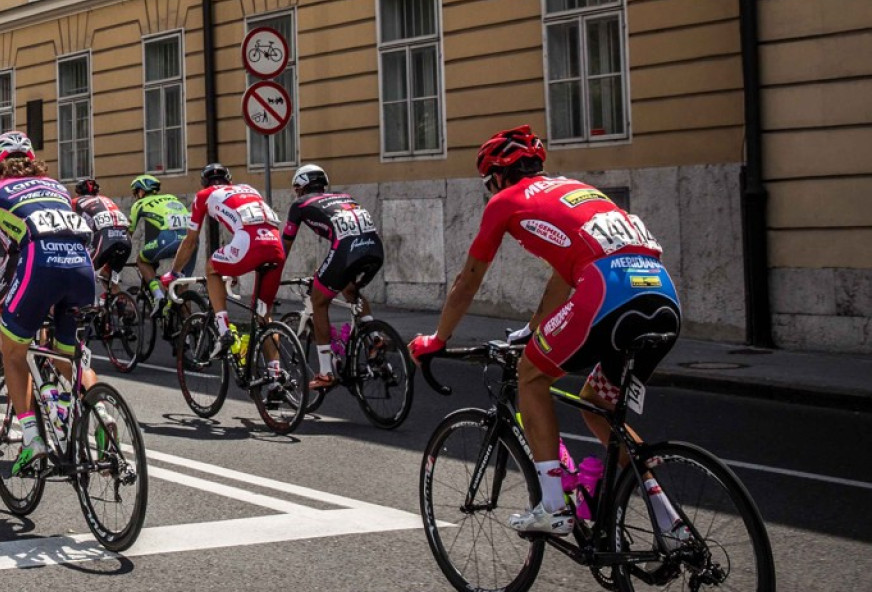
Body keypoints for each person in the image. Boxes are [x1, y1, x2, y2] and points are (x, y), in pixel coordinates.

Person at [410, 126, 683, 537]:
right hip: (662, 297)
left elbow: (468, 281)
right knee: (598, 404)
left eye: (489, 183)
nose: (490, 190)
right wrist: (531, 330)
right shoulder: (577, 190)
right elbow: (564, 276)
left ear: (498, 176)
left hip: (608, 290)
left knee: (531, 376)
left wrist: (439, 338)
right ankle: (672, 522)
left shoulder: (506, 201)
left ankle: (554, 506)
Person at [0, 133, 96, 474]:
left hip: (39, 263)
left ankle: (32, 439)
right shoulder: (58, 187)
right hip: (82, 267)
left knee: (12, 350)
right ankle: (103, 412)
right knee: (70, 357)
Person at [280, 164, 385, 390]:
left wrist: (272, 274)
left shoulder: (300, 204)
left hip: (347, 250)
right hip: (375, 249)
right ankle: (374, 338)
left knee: (319, 301)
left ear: (301, 187)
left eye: (296, 189)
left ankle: (326, 372)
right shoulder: (344, 197)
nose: (296, 193)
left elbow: (284, 247)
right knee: (350, 290)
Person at [165, 163, 287, 350]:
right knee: (264, 316)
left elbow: (190, 241)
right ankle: (275, 372)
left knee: (211, 268)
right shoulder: (249, 189)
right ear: (230, 180)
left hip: (249, 244)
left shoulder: (204, 196)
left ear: (204, 183)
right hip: (276, 247)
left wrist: (174, 272)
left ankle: (223, 331)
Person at [127, 174, 195, 300]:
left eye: (136, 192)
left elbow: (128, 233)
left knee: (142, 260)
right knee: (182, 289)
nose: (135, 196)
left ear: (141, 191)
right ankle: (188, 319)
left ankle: (158, 296)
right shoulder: (172, 198)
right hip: (192, 241)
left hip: (170, 238)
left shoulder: (140, 204)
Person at [72, 179, 133, 284]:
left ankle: (90, 300)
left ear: (78, 193)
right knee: (106, 276)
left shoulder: (76, 201)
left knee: (83, 270)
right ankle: (116, 298)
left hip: (105, 237)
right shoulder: (107, 199)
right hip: (125, 238)